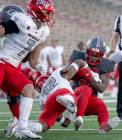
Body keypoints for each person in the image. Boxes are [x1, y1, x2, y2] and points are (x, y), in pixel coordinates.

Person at [0, 0, 55, 138]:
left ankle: (22, 129)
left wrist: (38, 66)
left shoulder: (43, 32)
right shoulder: (22, 21)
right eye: (48, 13)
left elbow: (32, 59)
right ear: (38, 12)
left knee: (29, 90)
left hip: (12, 67)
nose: (50, 16)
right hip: (1, 62)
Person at [62, 36, 120, 134]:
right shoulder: (77, 57)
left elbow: (102, 89)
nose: (93, 57)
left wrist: (90, 78)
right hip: (74, 97)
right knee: (86, 89)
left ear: (102, 55)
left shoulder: (105, 65)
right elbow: (65, 75)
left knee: (101, 106)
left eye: (97, 55)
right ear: (86, 51)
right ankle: (78, 118)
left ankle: (103, 126)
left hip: (88, 101)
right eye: (91, 54)